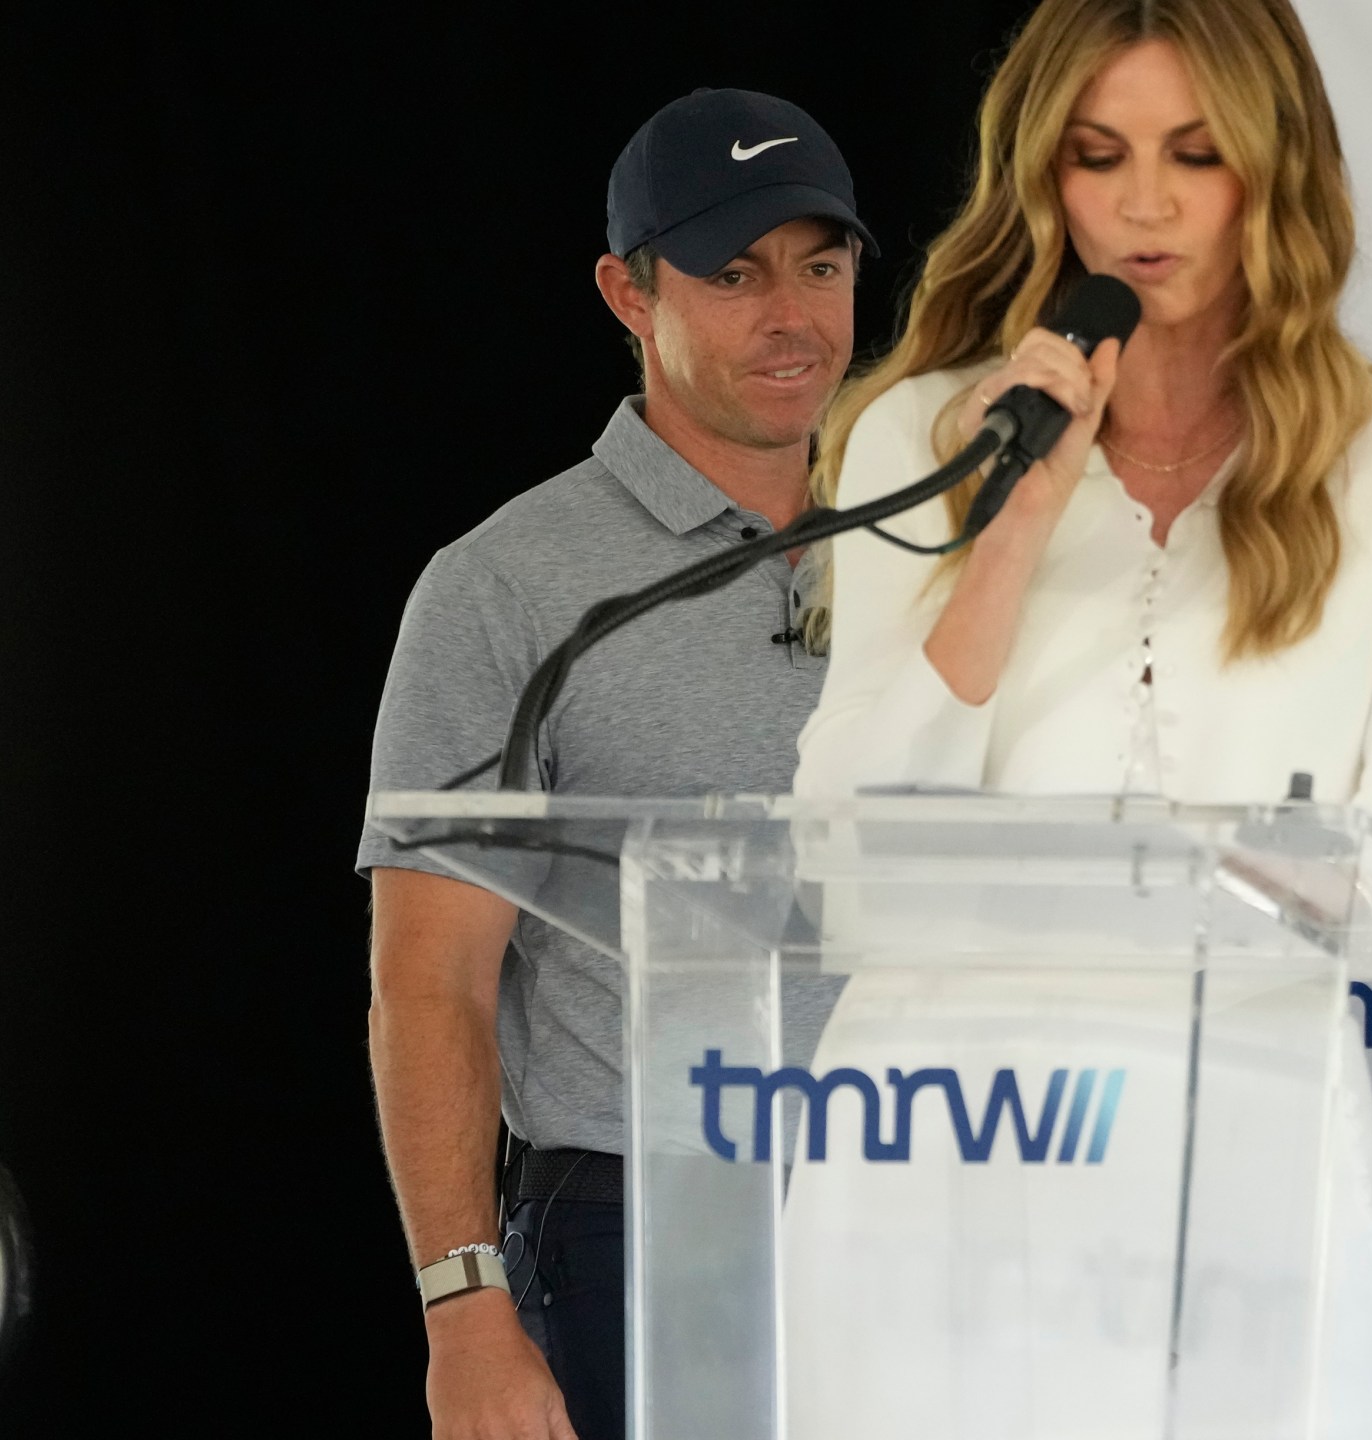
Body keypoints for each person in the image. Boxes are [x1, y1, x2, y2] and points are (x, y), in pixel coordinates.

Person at [788, 0, 1372, 1434]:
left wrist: (1209, 884)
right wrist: (1012, 524)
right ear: (1039, 177)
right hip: (936, 1151)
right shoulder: (923, 433)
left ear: (1276, 167)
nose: (1139, 204)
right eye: (1096, 154)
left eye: (1194, 154)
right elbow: (846, 858)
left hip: (1239, 1166)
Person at [359, 89, 869, 1440]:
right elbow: (430, 984)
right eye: (734, 271)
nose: (792, 315)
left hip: (928, 1198)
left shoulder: (933, 552)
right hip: (646, 1232)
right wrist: (465, 1311)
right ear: (627, 291)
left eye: (823, 265)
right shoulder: (502, 589)